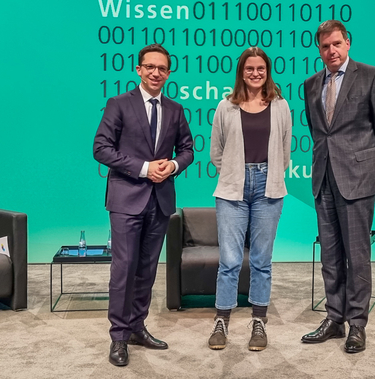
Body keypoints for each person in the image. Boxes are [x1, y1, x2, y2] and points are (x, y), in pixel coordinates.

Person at [93, 43, 194, 367]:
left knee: (147, 270)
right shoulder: (119, 104)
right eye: (150, 67)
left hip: (160, 201)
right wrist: (143, 167)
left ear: (168, 73)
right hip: (126, 199)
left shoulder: (176, 110)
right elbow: (101, 148)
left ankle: (137, 326)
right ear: (139, 69)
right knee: (123, 270)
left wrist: (174, 165)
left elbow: (188, 149)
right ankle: (119, 337)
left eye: (162, 68)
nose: (155, 73)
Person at [300, 20, 375, 353]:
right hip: (323, 177)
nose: (332, 51)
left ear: (348, 43)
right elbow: (319, 132)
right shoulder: (310, 84)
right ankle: (334, 318)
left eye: (337, 44)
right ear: (320, 49)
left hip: (358, 179)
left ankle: (357, 324)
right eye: (325, 46)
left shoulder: (372, 76)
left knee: (357, 256)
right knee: (330, 255)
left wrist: (370, 169)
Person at [207, 47, 292, 352]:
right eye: (249, 69)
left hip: (268, 188)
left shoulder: (280, 106)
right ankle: (222, 320)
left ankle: (259, 320)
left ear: (267, 71)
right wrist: (234, 173)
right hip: (232, 190)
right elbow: (216, 151)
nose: (255, 73)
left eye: (260, 69)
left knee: (261, 261)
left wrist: (264, 174)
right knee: (229, 261)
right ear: (241, 72)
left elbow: (284, 151)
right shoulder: (225, 107)